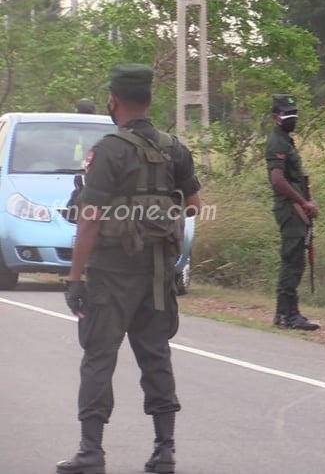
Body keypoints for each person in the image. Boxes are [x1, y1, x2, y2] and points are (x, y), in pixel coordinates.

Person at [57, 63, 202, 474]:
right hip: (157, 273)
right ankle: (164, 451)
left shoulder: (108, 150)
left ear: (114, 100)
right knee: (156, 356)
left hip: (110, 274)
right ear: (150, 99)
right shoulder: (175, 148)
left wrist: (74, 278)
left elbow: (88, 218)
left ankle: (91, 452)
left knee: (99, 357)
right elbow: (192, 205)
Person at [266, 94, 320, 331]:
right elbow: (277, 180)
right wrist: (303, 203)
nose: (292, 118)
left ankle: (288, 312)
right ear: (275, 117)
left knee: (296, 260)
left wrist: (309, 199)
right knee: (292, 261)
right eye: (287, 113)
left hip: (297, 207)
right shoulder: (277, 142)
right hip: (290, 209)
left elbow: (296, 178)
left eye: (294, 113)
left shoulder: (286, 141)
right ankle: (287, 314)